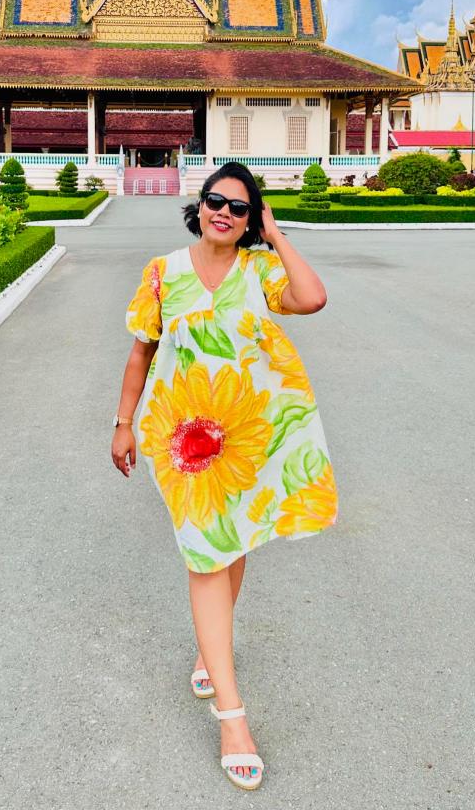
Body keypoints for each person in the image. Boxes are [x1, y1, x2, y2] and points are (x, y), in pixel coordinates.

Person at [112, 161, 337, 792]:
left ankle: (209, 655)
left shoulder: (261, 271)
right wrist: (122, 421)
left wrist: (278, 235)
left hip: (245, 437)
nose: (224, 213)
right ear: (200, 204)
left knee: (232, 546)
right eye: (217, 201)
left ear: (250, 219)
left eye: (240, 208)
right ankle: (232, 718)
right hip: (182, 442)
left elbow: (312, 298)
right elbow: (141, 350)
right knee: (207, 556)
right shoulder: (163, 274)